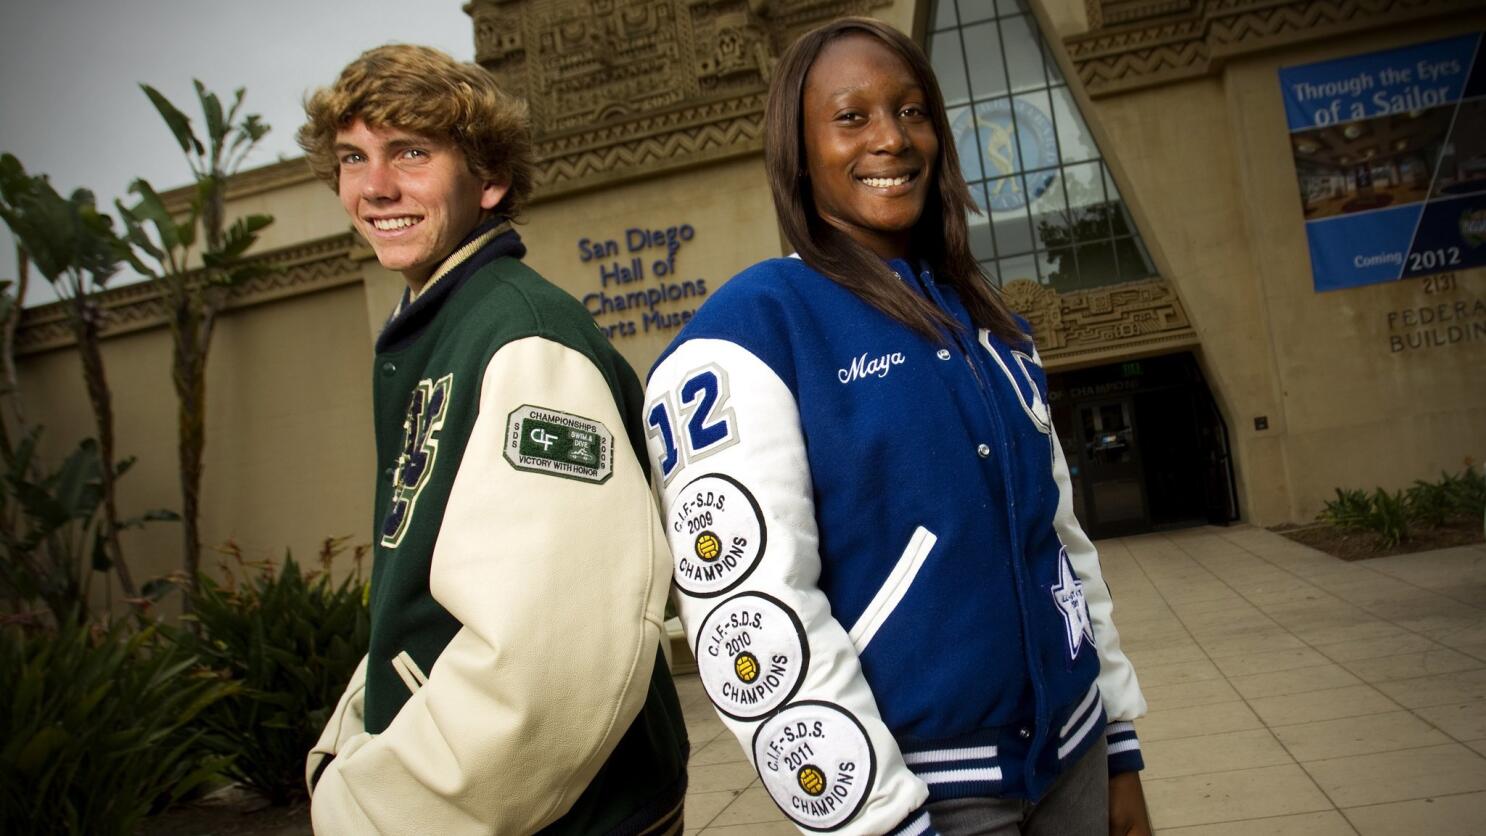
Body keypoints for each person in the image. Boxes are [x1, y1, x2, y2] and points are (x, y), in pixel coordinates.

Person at [643, 18, 1149, 836]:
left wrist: (1119, 743)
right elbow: (753, 616)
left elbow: (1060, 541)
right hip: (928, 799)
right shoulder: (752, 332)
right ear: (799, 152)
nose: (891, 138)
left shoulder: (992, 324)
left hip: (1076, 757)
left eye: (912, 111)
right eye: (852, 117)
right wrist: (879, 822)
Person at [297, 45, 688, 834]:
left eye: (411, 152)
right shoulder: (446, 326)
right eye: (352, 158)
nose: (375, 187)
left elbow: (549, 661)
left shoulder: (523, 339)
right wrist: (352, 739)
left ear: (491, 179)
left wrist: (375, 807)